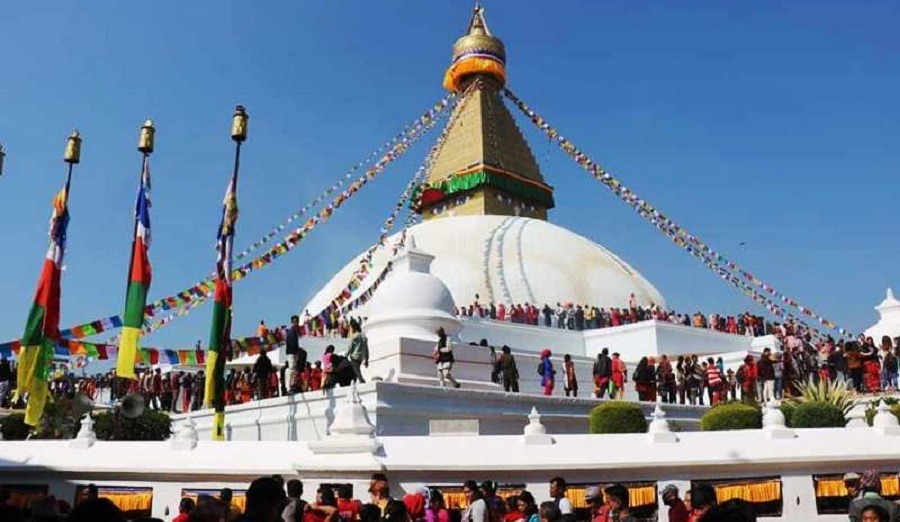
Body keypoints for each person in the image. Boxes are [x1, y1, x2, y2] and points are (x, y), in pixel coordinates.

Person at [286, 315, 308, 392]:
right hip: (291, 352)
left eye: (297, 322)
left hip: (294, 352)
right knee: (291, 368)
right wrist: (297, 349)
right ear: (292, 322)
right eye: (295, 322)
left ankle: (293, 385)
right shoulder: (291, 331)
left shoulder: (294, 331)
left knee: (294, 369)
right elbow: (292, 344)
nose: (296, 323)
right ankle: (289, 387)